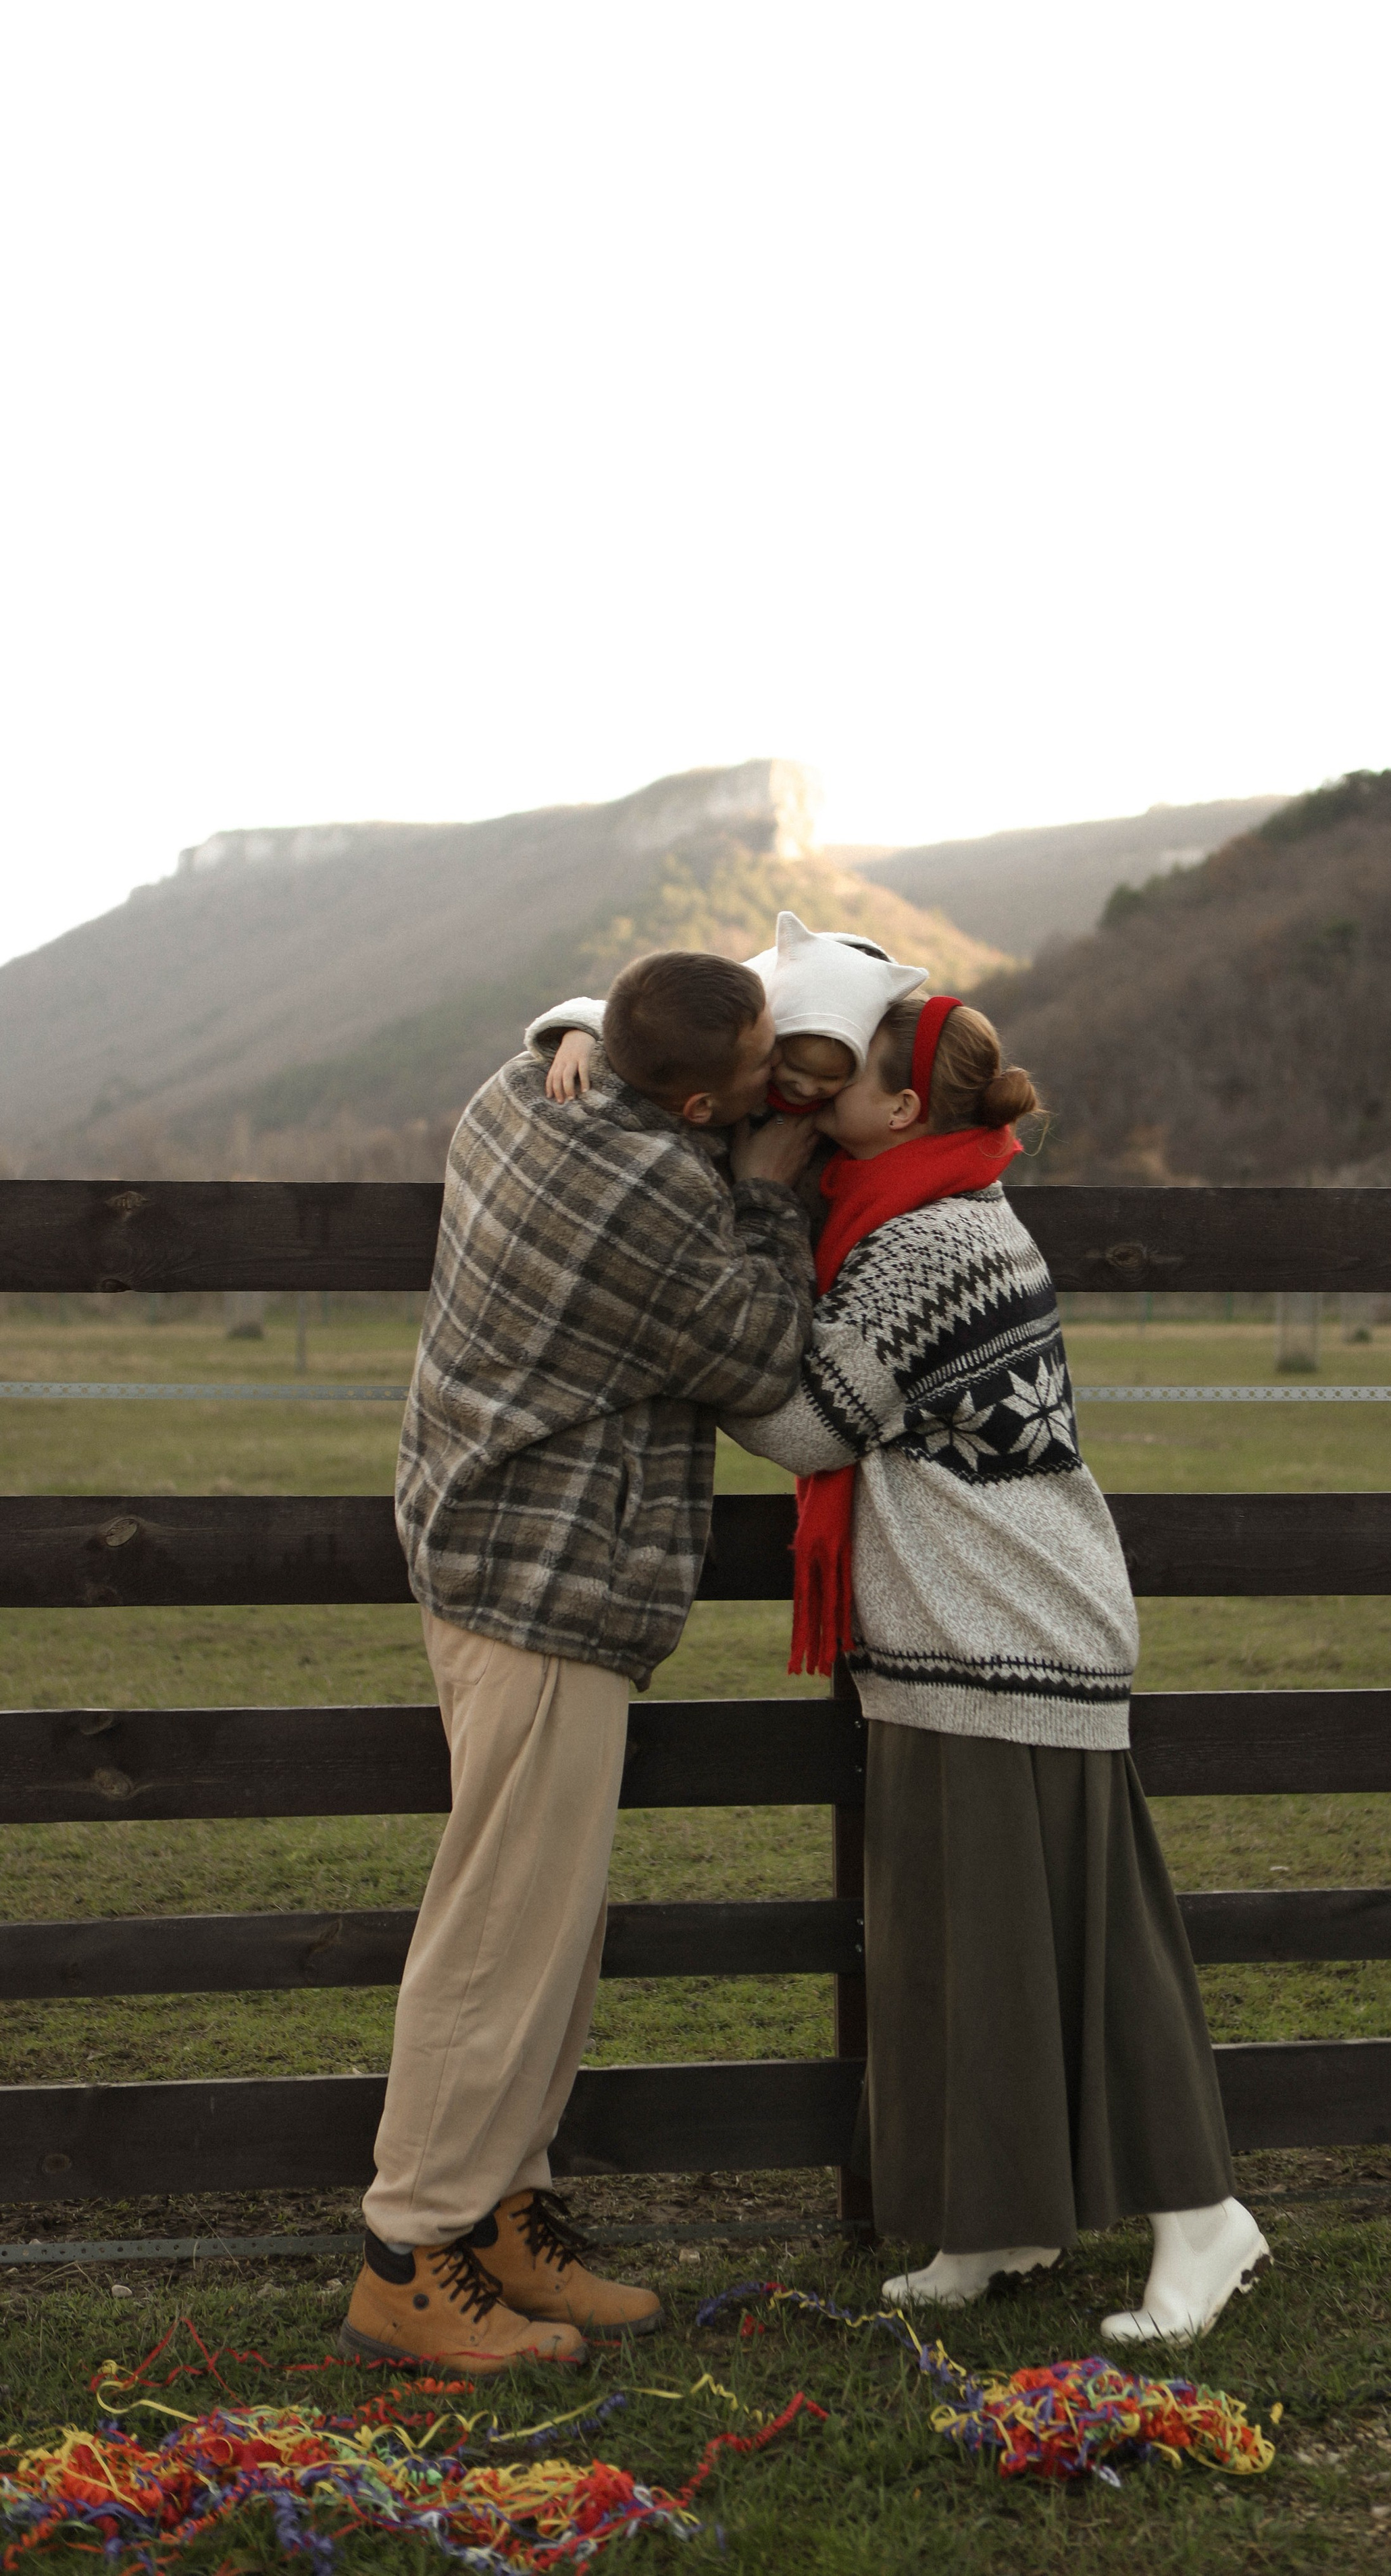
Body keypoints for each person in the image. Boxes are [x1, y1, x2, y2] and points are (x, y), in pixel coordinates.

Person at [720, 992, 1268, 2342]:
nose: (809, 1097)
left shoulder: (934, 1243)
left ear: (902, 1110)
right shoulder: (908, 1214)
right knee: (960, 1942)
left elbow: (804, 1429)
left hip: (1014, 1634)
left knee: (1086, 1938)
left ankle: (1203, 2220)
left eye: (834, 1080)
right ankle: (997, 2216)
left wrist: (706, 1289)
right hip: (952, 1634)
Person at [340, 949, 818, 2374]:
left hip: (482, 1554)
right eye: (745, 1090)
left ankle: (500, 2212)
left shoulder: (511, 1094)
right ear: (687, 1104)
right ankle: (408, 2251)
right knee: (501, 1933)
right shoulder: (667, 1203)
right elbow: (767, 1351)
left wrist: (569, 1033)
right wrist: (773, 1186)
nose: (760, 1102)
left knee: (545, 1925)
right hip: (549, 1586)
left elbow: (572, 1020)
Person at [530, 910, 927, 1118]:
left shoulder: (851, 1101)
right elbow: (638, 1021)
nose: (806, 1088)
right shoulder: (737, 1031)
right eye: (787, 1061)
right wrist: (579, 1032)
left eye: (830, 1077)